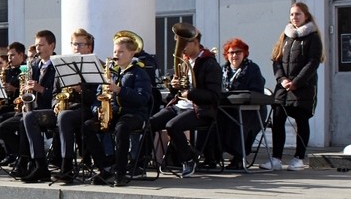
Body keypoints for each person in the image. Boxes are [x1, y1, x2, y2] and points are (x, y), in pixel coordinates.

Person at [149, 24, 222, 178]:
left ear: (195, 42)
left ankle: (188, 159)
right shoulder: (184, 61)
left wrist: (191, 93)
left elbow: (214, 95)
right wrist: (174, 87)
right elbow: (178, 92)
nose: (180, 47)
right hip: (180, 106)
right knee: (151, 123)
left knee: (172, 126)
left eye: (184, 43)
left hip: (200, 110)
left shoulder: (209, 63)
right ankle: (142, 162)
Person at [261, 2, 325, 171]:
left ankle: (298, 158)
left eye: (298, 14)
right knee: (278, 120)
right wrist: (282, 79)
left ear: (306, 16)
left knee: (301, 120)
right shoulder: (285, 36)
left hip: (303, 87)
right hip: (283, 88)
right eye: (291, 14)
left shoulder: (313, 37)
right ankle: (276, 158)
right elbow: (276, 59)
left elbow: (313, 62)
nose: (294, 17)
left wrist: (296, 82)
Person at [81, 35, 152, 187]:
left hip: (134, 114)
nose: (115, 55)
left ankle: (121, 173)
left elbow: (142, 98)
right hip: (113, 113)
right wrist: (97, 110)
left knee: (122, 127)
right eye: (115, 51)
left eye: (120, 52)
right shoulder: (110, 72)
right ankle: (104, 168)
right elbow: (97, 97)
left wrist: (119, 90)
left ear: (131, 54)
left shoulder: (139, 72)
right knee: (87, 126)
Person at [0, 31, 56, 178]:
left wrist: (39, 89)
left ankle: (25, 162)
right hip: (32, 109)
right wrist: (24, 93)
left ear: (52, 46)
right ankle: (26, 158)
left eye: (41, 45)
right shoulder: (34, 65)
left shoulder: (57, 65)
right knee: (2, 128)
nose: (38, 49)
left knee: (24, 122)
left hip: (48, 110)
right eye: (36, 45)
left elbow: (57, 94)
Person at [50, 28, 99, 182]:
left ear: (89, 47)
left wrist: (82, 89)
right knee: (30, 117)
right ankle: (36, 163)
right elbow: (54, 93)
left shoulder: (96, 65)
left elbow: (97, 97)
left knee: (64, 117)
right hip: (66, 108)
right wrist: (56, 104)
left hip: (87, 109)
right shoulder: (63, 66)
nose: (76, 47)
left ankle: (67, 168)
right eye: (74, 44)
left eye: (80, 44)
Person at [218, 38, 266, 170]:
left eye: (238, 52)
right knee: (214, 118)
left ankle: (238, 158)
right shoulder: (222, 70)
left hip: (251, 110)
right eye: (231, 53)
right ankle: (213, 156)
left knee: (238, 121)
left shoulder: (252, 69)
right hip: (227, 108)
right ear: (226, 55)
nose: (234, 56)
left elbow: (256, 92)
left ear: (244, 53)